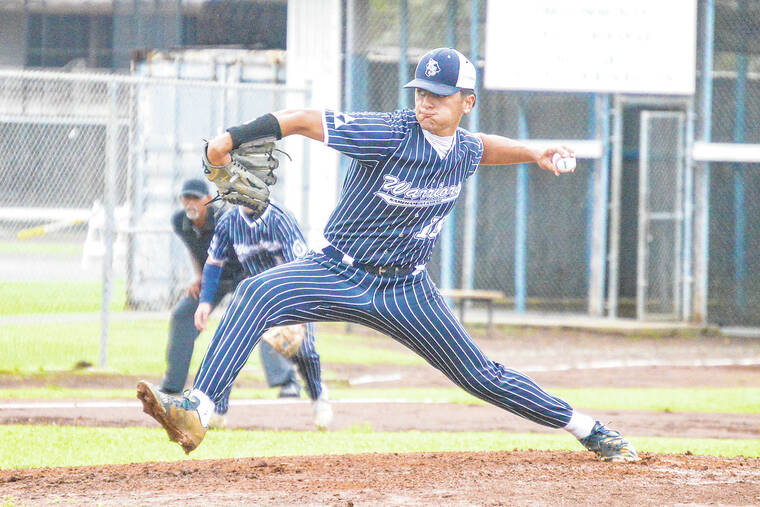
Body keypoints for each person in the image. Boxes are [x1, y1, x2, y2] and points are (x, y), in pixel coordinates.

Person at [138, 47, 638, 462]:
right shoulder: (390, 133)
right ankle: (198, 409)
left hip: (408, 289)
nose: (426, 103)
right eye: (421, 92)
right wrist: (231, 138)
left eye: (439, 96)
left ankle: (589, 429)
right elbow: (304, 121)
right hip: (337, 269)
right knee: (254, 294)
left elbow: (483, 147)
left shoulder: (462, 150)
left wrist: (532, 152)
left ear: (467, 102)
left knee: (481, 375)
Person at [160, 179, 303, 424]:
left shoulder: (224, 218)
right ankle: (173, 384)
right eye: (186, 198)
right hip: (213, 279)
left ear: (208, 200)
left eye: (196, 198)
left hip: (243, 275)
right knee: (182, 315)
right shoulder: (180, 221)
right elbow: (197, 250)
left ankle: (287, 381)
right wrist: (199, 276)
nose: (191, 203)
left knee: (258, 322)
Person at [194, 200, 332, 430]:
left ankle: (318, 396)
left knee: (305, 351)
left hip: (290, 292)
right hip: (257, 296)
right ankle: (217, 409)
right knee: (230, 347)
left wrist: (301, 316)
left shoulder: (279, 218)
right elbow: (214, 261)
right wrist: (205, 302)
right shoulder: (229, 221)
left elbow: (301, 266)